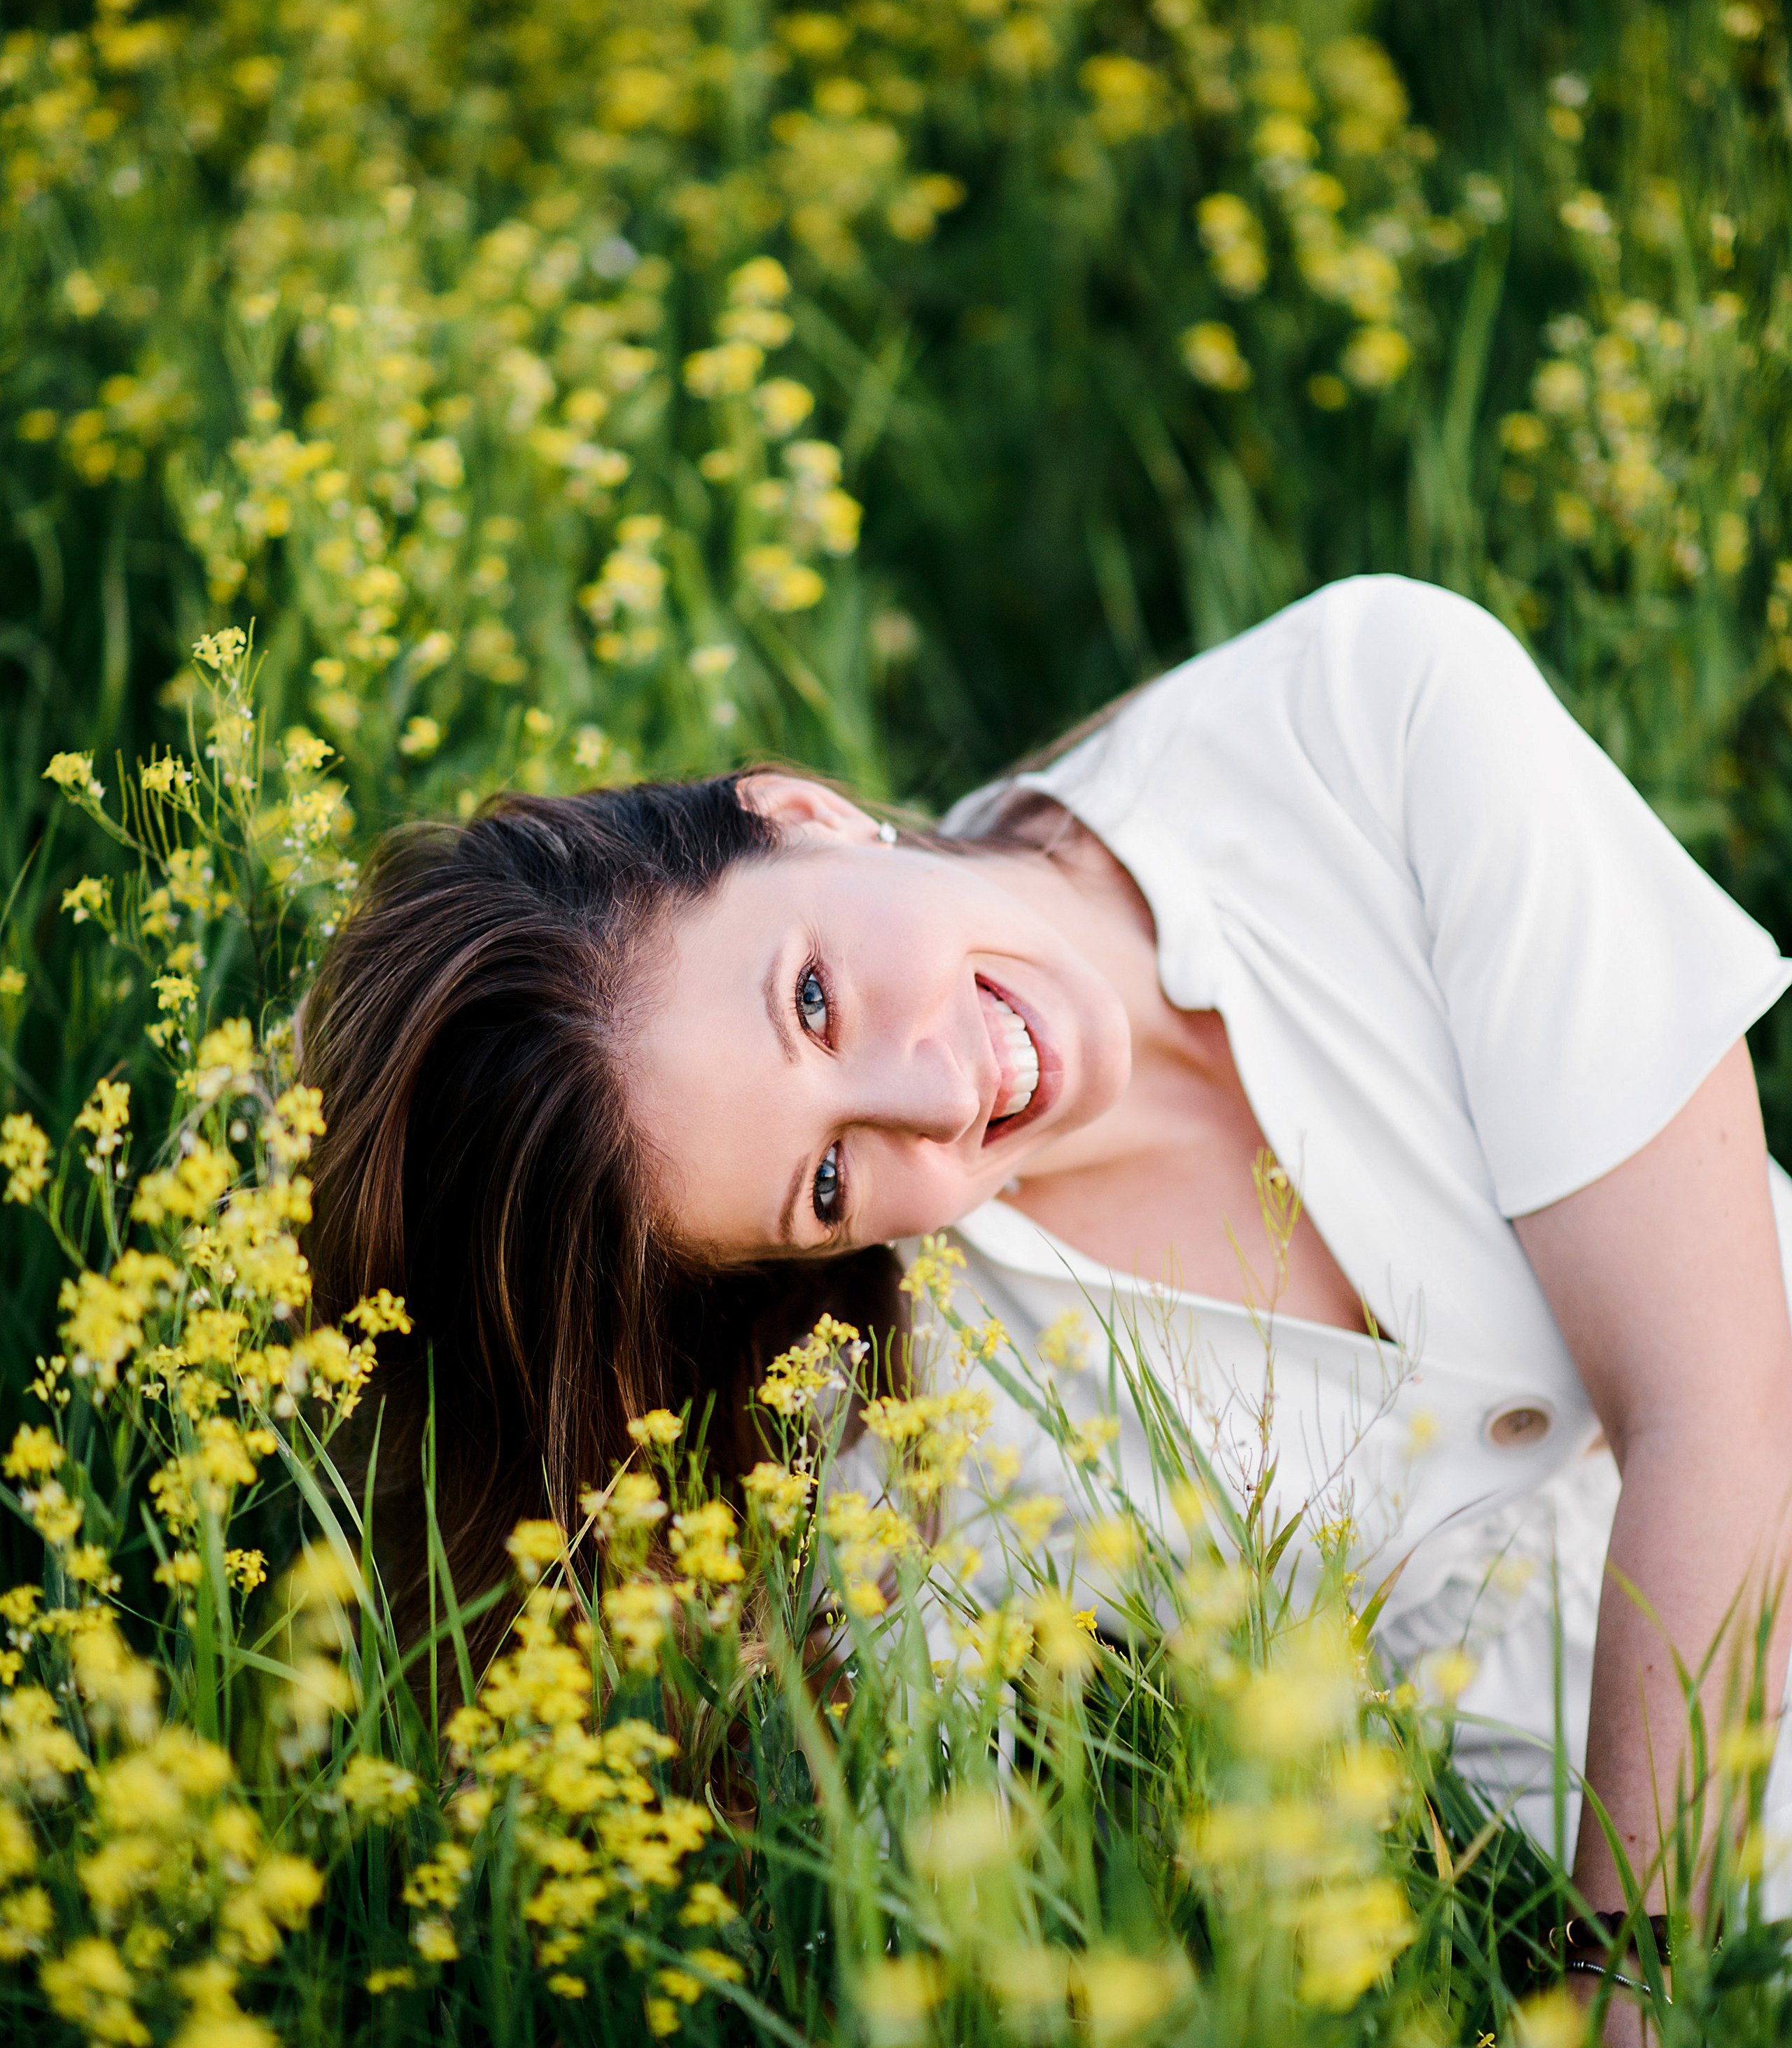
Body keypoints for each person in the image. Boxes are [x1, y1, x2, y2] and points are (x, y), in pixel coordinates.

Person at [303, 573, 1792, 1970]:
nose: (932, 1098)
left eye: (811, 999)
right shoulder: (908, 1439)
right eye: (827, 1180)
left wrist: (1634, 2025)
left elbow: (1717, 1403)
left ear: (803, 814)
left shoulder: (1373, 718)